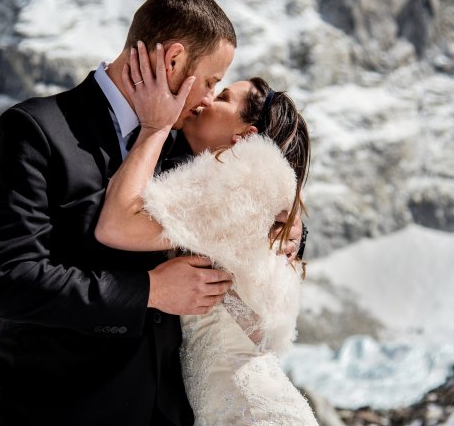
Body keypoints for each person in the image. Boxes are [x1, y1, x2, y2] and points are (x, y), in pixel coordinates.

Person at [0, 0, 304, 425]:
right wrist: (151, 290)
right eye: (209, 81)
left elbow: (243, 205)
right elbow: (8, 280)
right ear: (172, 61)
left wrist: (292, 232)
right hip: (54, 408)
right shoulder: (37, 130)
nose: (208, 98)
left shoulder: (186, 146)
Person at [95, 43, 318, 424]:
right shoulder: (241, 186)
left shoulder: (237, 185)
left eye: (223, 95)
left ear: (245, 137)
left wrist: (155, 126)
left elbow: (115, 225)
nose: (207, 98)